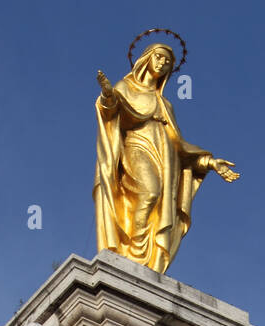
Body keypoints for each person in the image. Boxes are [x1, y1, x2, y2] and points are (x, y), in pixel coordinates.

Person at [94, 43, 239, 274]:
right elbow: (112, 114)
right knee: (149, 191)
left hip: (166, 158)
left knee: (161, 204)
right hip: (136, 145)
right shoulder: (126, 87)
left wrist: (211, 163)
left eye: (167, 62)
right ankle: (131, 252)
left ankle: (146, 260)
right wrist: (109, 95)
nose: (162, 64)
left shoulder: (165, 104)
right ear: (147, 58)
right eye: (159, 57)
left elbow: (180, 148)